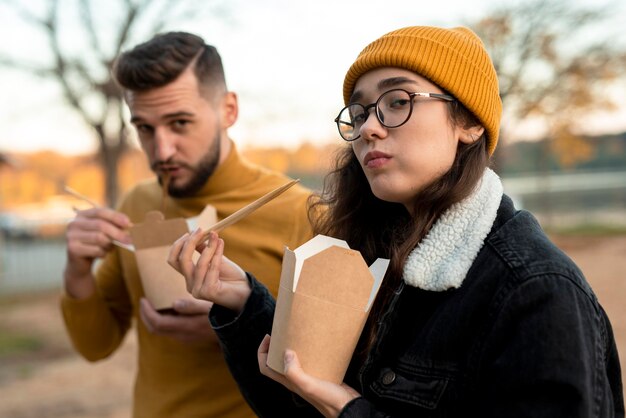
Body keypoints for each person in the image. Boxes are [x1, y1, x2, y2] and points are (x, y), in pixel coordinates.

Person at [168, 25, 624, 417]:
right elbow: (296, 402)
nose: (369, 128)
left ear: (469, 122)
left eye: (398, 100)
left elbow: (337, 404)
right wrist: (242, 303)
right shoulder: (367, 256)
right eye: (361, 111)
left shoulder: (537, 290)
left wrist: (349, 411)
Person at [61, 31, 314, 418]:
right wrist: (77, 270)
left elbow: (339, 369)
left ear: (228, 110)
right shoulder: (137, 204)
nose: (161, 151)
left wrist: (237, 330)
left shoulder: (302, 212)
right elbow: (96, 346)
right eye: (144, 128)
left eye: (179, 123)